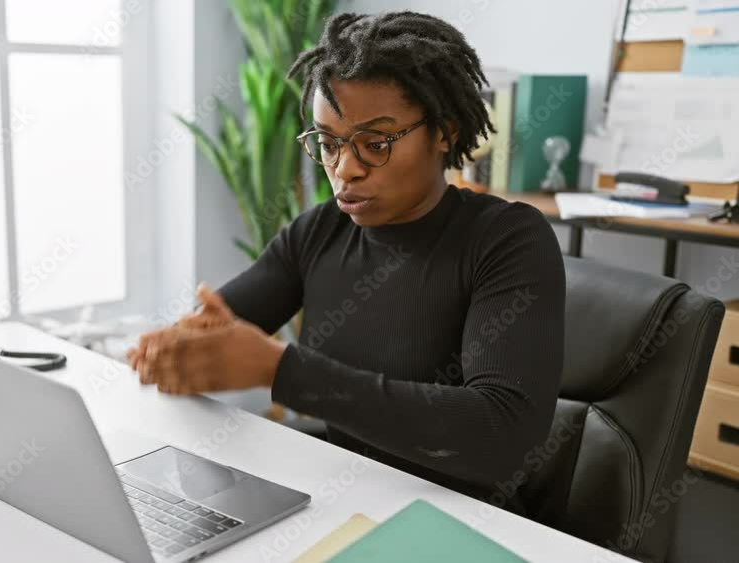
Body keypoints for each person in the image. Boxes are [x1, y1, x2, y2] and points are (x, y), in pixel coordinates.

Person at [127, 11, 565, 513]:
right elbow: (214, 332)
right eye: (328, 144)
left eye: (375, 144)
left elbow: (501, 433)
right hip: (343, 503)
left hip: (462, 522)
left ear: (443, 131)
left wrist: (284, 370)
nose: (345, 170)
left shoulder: (507, 240)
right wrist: (177, 351)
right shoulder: (319, 232)